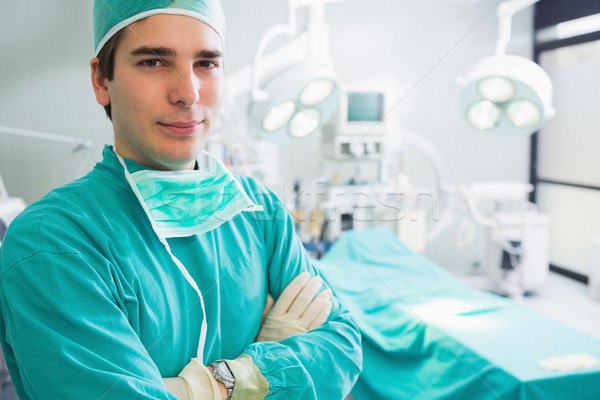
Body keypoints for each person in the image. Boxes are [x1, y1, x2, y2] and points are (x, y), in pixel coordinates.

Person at [0, 1, 362, 399]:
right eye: (154, 61)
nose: (188, 93)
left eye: (206, 62)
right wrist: (259, 374)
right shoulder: (52, 243)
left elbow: (342, 344)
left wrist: (212, 385)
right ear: (102, 80)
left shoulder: (259, 210)